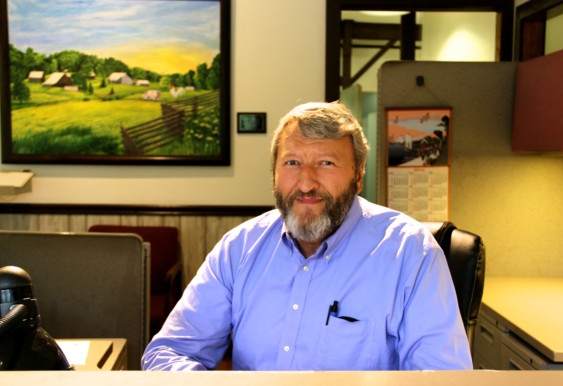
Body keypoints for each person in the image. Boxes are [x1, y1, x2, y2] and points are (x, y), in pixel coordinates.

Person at [141, 101, 472, 371]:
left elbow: (442, 378)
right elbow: (168, 353)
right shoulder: (239, 249)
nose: (306, 183)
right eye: (292, 163)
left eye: (326, 163)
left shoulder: (411, 253)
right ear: (274, 172)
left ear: (358, 177)